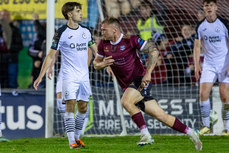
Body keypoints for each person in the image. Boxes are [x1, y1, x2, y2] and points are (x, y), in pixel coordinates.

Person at [93, 17, 202, 150]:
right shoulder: (103, 44)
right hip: (128, 86)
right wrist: (103, 64)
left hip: (140, 79)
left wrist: (148, 73)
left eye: (104, 30)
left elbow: (154, 50)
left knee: (126, 102)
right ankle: (191, 132)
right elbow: (95, 64)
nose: (102, 32)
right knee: (161, 116)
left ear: (114, 30)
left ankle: (145, 134)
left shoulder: (130, 40)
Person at [33, 2, 97, 149]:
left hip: (84, 76)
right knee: (70, 104)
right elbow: (50, 56)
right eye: (78, 11)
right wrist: (40, 76)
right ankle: (71, 142)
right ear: (69, 14)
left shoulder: (86, 31)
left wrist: (104, 62)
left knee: (83, 108)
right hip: (69, 76)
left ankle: (76, 137)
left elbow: (95, 50)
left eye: (80, 11)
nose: (81, 13)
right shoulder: (61, 32)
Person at [194, 0, 229, 136]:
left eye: (211, 5)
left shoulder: (224, 23)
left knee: (225, 96)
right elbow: (197, 47)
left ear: (216, 7)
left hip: (225, 62)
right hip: (209, 64)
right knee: (203, 94)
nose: (208, 7)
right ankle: (206, 126)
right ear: (204, 8)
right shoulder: (200, 26)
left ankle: (227, 128)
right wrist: (197, 65)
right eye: (206, 5)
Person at [1, 10, 23, 88]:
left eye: (7, 15)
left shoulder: (15, 30)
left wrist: (9, 47)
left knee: (12, 83)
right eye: (2, 15)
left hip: (11, 60)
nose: (4, 17)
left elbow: (20, 46)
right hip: (1, 60)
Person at [28, 14, 46, 88]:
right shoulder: (37, 39)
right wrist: (38, 54)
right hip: (38, 65)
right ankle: (36, 86)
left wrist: (36, 21)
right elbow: (30, 51)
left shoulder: (52, 35)